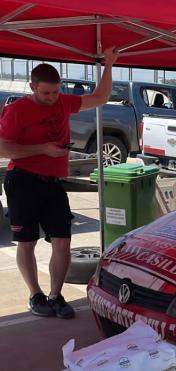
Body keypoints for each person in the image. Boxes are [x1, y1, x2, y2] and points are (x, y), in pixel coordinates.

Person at [0, 47, 119, 319]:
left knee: (63, 240)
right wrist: (43, 148)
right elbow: (3, 148)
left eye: (55, 92)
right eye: (45, 93)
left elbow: (100, 97)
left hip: (53, 183)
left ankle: (55, 295)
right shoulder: (18, 110)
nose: (52, 98)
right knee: (27, 241)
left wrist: (109, 64)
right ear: (32, 87)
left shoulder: (64, 102)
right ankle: (35, 294)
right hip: (23, 181)